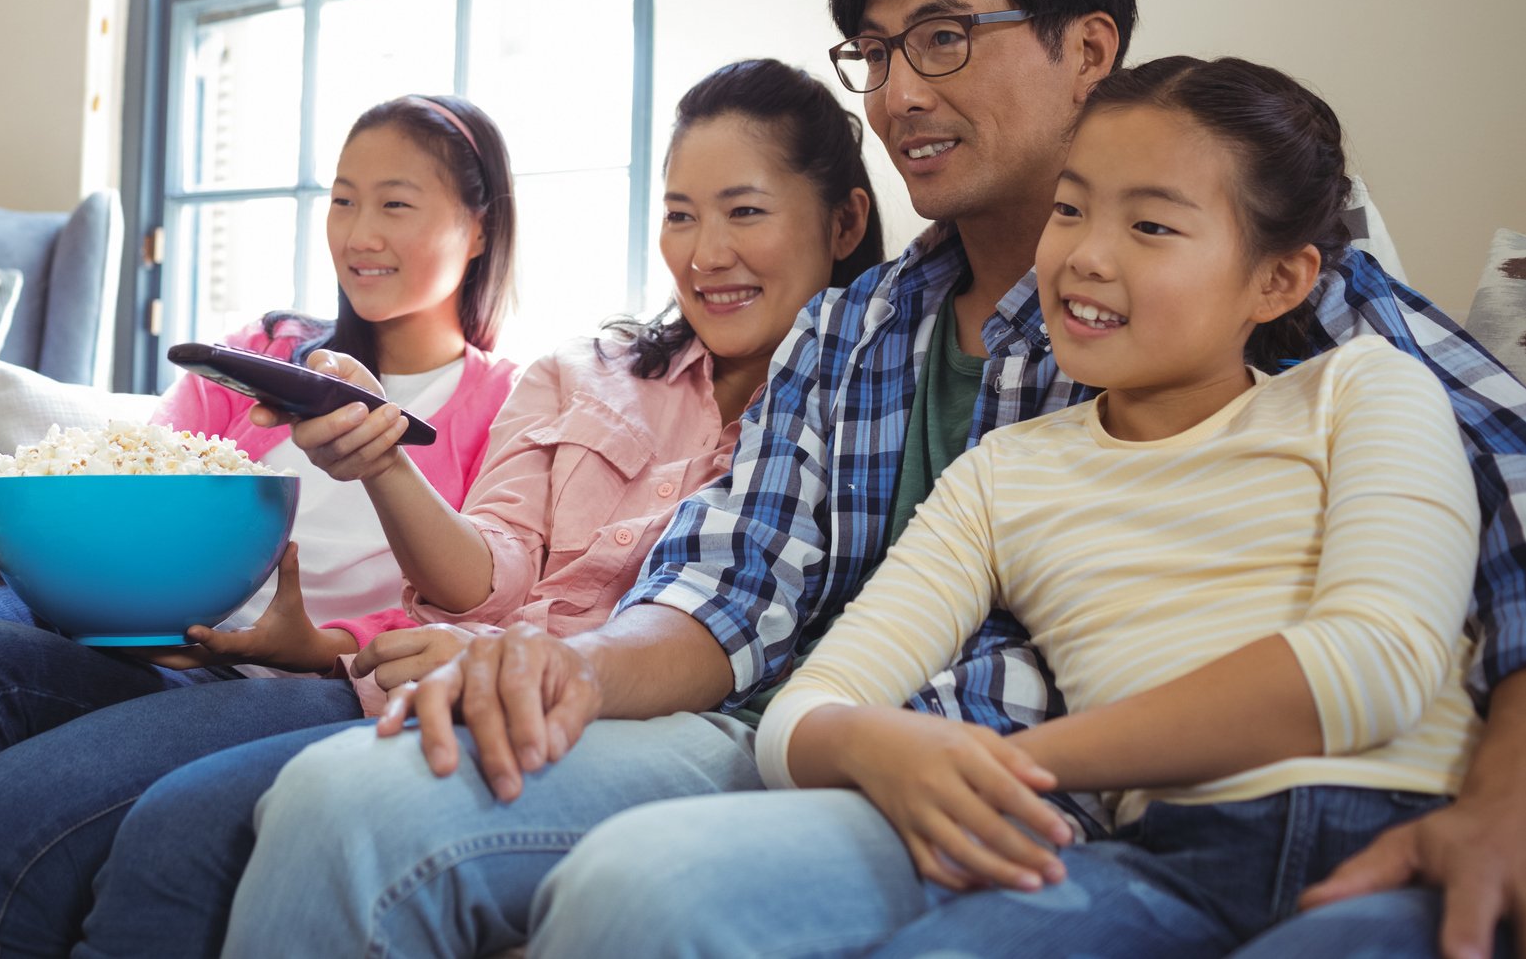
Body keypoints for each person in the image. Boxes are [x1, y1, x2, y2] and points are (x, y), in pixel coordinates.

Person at [212, 0, 1526, 959]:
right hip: (794, 731)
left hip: (1007, 771)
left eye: (945, 37)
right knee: (342, 796)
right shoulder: (852, 326)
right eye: (876, 53)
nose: (897, 94)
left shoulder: (1274, 288)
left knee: (655, 894)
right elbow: (733, 587)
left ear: (1088, 47)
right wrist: (572, 666)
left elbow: (1506, 533)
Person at [0, 57, 884, 957]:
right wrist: (383, 460)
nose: (705, 251)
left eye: (743, 212)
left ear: (842, 221)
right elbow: (484, 577)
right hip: (418, 681)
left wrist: (348, 641)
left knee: (171, 834)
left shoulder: (863, 399)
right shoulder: (583, 374)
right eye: (679, 214)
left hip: (565, 706)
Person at [536, 56, 1481, 958]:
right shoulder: (1003, 472)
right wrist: (878, 745)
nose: (1085, 257)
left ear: (1277, 280)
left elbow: (1374, 661)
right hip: (1164, 860)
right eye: (1069, 210)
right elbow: (810, 708)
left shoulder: (1364, 389)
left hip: (1394, 837)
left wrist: (1028, 762)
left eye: (1150, 227)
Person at [0, 93, 521, 959]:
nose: (358, 233)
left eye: (395, 204)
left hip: (245, 673)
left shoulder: (506, 405)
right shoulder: (265, 352)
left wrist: (325, 643)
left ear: (478, 229)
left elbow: (477, 603)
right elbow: (124, 465)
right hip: (98, 608)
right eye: (342, 198)